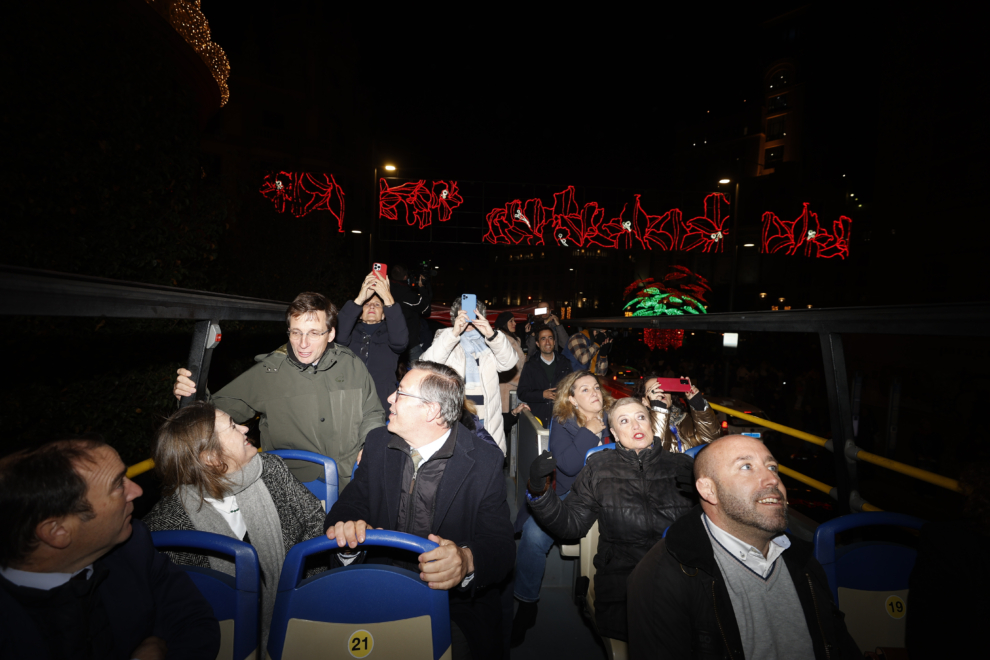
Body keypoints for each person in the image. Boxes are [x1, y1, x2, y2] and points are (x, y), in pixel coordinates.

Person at [324, 361, 515, 660]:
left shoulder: (485, 462)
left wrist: (465, 560)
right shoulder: (377, 443)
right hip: (376, 586)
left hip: (452, 604)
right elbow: (351, 503)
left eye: (400, 393)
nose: (390, 398)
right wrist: (347, 532)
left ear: (431, 411)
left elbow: (500, 546)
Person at [627, 435, 861, 660]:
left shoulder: (804, 561)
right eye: (746, 467)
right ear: (709, 490)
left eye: (772, 468)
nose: (773, 480)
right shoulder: (663, 575)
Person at [0, 438, 220, 660]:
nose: (136, 490)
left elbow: (194, 622)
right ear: (57, 531)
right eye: (117, 485)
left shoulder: (132, 545)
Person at [142, 402, 327, 652]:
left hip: (299, 620)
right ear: (211, 458)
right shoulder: (166, 529)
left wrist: (304, 595)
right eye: (232, 426)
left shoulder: (271, 469)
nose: (243, 428)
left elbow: (315, 522)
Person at [173, 291, 385, 490]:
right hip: (297, 487)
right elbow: (214, 415)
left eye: (313, 333)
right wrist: (191, 394)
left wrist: (369, 445)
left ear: (330, 334)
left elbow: (373, 412)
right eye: (296, 332)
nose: (303, 343)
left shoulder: (352, 364)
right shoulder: (267, 373)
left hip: (353, 480)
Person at [526, 397, 695, 642]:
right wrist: (539, 489)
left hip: (682, 579)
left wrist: (707, 504)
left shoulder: (682, 466)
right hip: (624, 582)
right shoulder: (598, 468)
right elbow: (571, 524)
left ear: (650, 423)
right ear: (614, 433)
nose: (636, 426)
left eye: (640, 417)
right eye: (624, 421)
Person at [511, 370, 613, 645]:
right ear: (572, 399)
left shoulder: (616, 417)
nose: (594, 393)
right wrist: (589, 433)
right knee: (533, 534)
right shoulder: (563, 420)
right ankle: (526, 603)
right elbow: (566, 465)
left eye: (595, 387)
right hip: (572, 495)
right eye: (585, 390)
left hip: (609, 496)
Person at [419, 296, 519, 455]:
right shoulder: (445, 337)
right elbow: (426, 365)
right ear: (455, 317)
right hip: (456, 417)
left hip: (487, 420)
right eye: (464, 314)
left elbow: (509, 362)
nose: (469, 319)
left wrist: (491, 334)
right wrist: (454, 334)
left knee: (485, 470)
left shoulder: (491, 341)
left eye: (473, 314)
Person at [336, 270, 410, 410]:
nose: (371, 306)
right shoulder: (349, 333)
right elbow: (338, 337)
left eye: (377, 305)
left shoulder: (391, 333)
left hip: (380, 401)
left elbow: (400, 343)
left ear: (384, 315)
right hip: (347, 400)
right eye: (366, 304)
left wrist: (387, 298)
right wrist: (360, 298)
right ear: (358, 313)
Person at [637, 374, 720, 453]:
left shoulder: (686, 419)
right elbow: (656, 454)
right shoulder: (640, 425)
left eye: (663, 387)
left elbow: (713, 440)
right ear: (644, 401)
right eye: (653, 390)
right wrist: (659, 408)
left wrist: (698, 405)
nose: (660, 391)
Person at [516, 325, 573, 424]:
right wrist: (542, 395)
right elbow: (522, 393)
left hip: (560, 420)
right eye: (543, 339)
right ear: (537, 343)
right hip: (537, 420)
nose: (547, 342)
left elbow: (573, 390)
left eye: (550, 338)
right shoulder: (531, 366)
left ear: (554, 342)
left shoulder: (565, 364)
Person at [494, 312, 526, 438]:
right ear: (503, 324)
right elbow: (502, 370)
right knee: (505, 428)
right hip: (506, 391)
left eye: (514, 320)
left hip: (515, 389)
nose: (515, 323)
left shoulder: (513, 339)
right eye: (511, 321)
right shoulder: (501, 340)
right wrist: (523, 382)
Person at [389, 264, 432, 352]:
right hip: (409, 343)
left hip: (390, 339)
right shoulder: (408, 296)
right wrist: (422, 288)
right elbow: (426, 309)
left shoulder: (386, 291)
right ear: (405, 277)